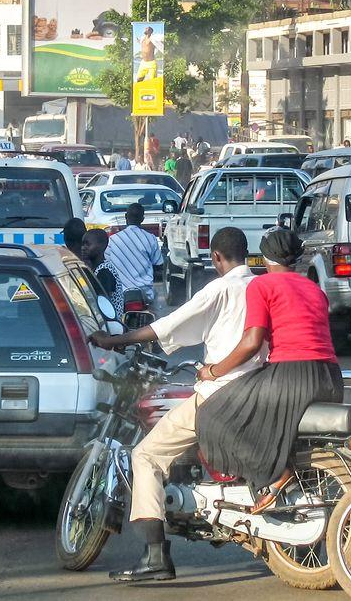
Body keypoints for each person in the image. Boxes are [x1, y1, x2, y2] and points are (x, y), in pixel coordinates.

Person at [90, 228, 260, 582]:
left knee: (146, 456)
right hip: (259, 389)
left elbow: (167, 326)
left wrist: (113, 341)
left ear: (216, 257)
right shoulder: (259, 286)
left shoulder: (220, 288)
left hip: (220, 391)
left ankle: (155, 555)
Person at [195, 229, 342, 513]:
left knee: (214, 413)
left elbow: (251, 343)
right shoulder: (315, 289)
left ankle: (275, 474)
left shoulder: (262, 285)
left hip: (292, 377)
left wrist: (212, 371)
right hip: (330, 376)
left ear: (263, 258)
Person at [105, 203, 163, 305]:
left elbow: (106, 263)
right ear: (142, 219)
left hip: (120, 293)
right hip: (145, 293)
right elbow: (158, 264)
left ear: (126, 217)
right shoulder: (150, 238)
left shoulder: (113, 240)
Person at [82, 228, 124, 317]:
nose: (83, 248)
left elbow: (103, 305)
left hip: (110, 325)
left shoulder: (104, 272)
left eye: (88, 244)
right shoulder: (97, 268)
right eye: (83, 244)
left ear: (102, 246)